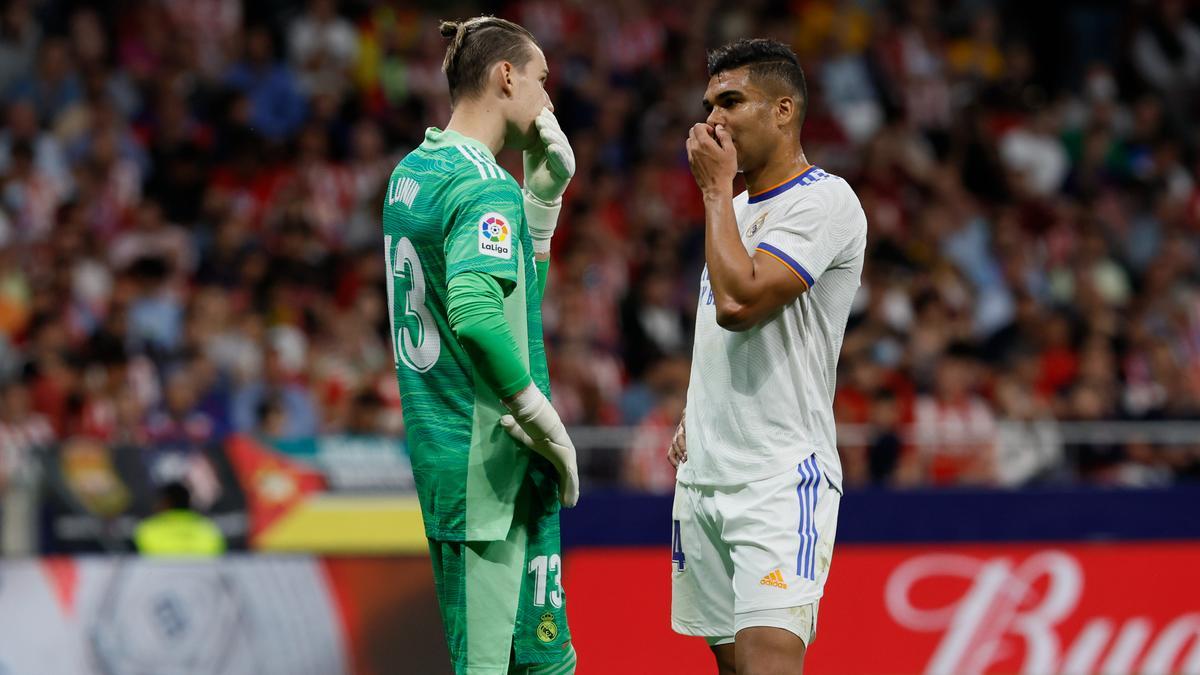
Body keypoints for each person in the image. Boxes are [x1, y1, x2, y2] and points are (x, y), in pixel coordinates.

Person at [380, 15, 579, 675]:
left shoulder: (414, 172)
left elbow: (511, 306)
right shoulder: (481, 183)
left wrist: (542, 205)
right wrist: (541, 417)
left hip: (483, 462)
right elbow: (476, 315)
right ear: (505, 76)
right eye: (542, 82)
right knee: (491, 668)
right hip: (486, 464)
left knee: (546, 662)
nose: (548, 101)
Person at [669, 39, 868, 674]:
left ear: (784, 110)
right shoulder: (732, 211)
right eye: (708, 105)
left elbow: (738, 302)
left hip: (780, 479)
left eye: (732, 101)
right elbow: (721, 338)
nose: (713, 121)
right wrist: (695, 416)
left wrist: (713, 193)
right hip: (705, 477)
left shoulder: (824, 201)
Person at [133, 481, 226, 557]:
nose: (155, 505)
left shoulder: (146, 529)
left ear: (166, 502)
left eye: (158, 501)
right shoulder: (210, 529)